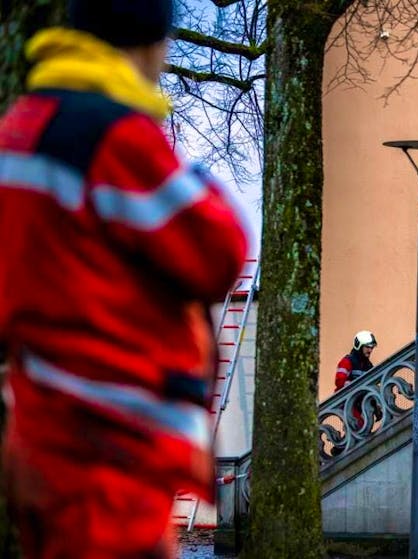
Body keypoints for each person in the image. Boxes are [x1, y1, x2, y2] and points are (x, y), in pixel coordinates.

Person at [0, 0, 249, 557]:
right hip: (114, 441)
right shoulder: (113, 134)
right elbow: (218, 250)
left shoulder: (20, 128)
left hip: (42, 428)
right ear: (150, 44)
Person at [335, 331, 381, 430]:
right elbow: (339, 382)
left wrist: (376, 404)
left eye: (372, 347)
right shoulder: (347, 362)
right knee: (359, 426)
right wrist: (357, 386)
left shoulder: (368, 366)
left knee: (363, 428)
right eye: (367, 347)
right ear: (359, 346)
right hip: (346, 401)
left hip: (359, 402)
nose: (370, 350)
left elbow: (371, 387)